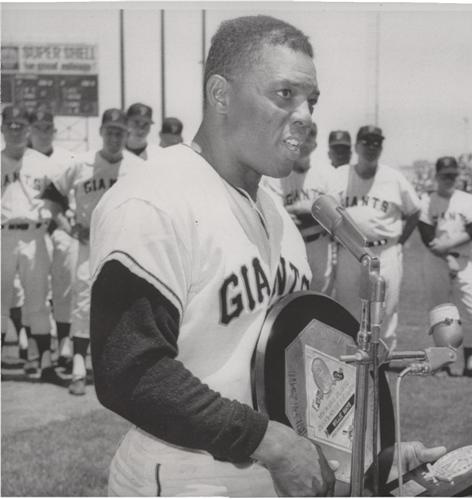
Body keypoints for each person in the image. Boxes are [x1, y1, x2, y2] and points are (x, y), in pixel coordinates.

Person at [88, 15, 445, 497]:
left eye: (311, 101)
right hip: (183, 474)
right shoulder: (153, 198)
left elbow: (295, 373)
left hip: (275, 471)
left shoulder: (277, 213)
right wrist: (267, 442)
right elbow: (129, 370)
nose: (306, 115)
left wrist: (366, 461)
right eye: (285, 95)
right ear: (220, 95)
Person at [41, 108, 144, 395]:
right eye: (110, 131)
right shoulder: (81, 162)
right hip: (88, 243)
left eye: (120, 132)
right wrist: (67, 225)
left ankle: (120, 370)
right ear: (101, 132)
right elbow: (51, 197)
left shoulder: (138, 167)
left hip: (125, 245)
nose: (114, 137)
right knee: (83, 301)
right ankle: (77, 368)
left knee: (125, 305)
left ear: (127, 134)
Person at [332, 125, 421, 350]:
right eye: (366, 141)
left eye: (377, 142)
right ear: (356, 146)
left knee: (385, 312)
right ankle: (352, 371)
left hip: (385, 252)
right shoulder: (341, 175)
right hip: (350, 252)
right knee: (346, 311)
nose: (371, 147)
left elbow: (414, 211)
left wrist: (399, 242)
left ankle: (381, 372)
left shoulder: (394, 178)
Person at [1, 105, 62, 384]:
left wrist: (49, 211)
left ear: (28, 130)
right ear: (2, 128)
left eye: (20, 125)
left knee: (38, 302)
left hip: (35, 235)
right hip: (2, 235)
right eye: (9, 124)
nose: (15, 129)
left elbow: (61, 195)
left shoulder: (42, 162)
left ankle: (46, 365)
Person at [417, 156, 472, 378]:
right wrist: (446, 256)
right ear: (437, 176)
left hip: (464, 261)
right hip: (436, 261)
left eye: (453, 175)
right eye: (445, 175)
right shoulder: (427, 202)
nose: (449, 179)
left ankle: (470, 361)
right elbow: (427, 235)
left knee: (471, 310)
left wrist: (447, 246)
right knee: (439, 311)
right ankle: (442, 363)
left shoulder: (467, 200)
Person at [263, 122, 339, 294]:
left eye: (309, 136)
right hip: (289, 248)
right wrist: (315, 210)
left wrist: (296, 209)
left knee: (320, 302)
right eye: (299, 135)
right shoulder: (276, 173)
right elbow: (277, 218)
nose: (304, 141)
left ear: (315, 144)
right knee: (290, 302)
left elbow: (333, 214)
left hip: (320, 247)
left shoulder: (326, 173)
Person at [29, 108, 78, 369]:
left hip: (58, 229)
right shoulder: (20, 157)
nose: (44, 133)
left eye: (48, 128)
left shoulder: (67, 158)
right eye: (38, 127)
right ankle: (37, 350)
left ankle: (63, 344)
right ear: (30, 130)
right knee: (34, 294)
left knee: (63, 290)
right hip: (29, 233)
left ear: (55, 131)